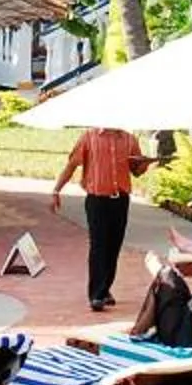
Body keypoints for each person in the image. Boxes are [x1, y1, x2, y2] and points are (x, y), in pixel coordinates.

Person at [51, 124, 152, 312]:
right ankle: (96, 295)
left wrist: (145, 163)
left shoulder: (129, 139)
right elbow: (72, 164)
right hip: (97, 200)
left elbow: (136, 171)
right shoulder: (89, 137)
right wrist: (57, 190)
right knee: (99, 245)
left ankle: (105, 289)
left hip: (120, 200)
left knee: (114, 246)